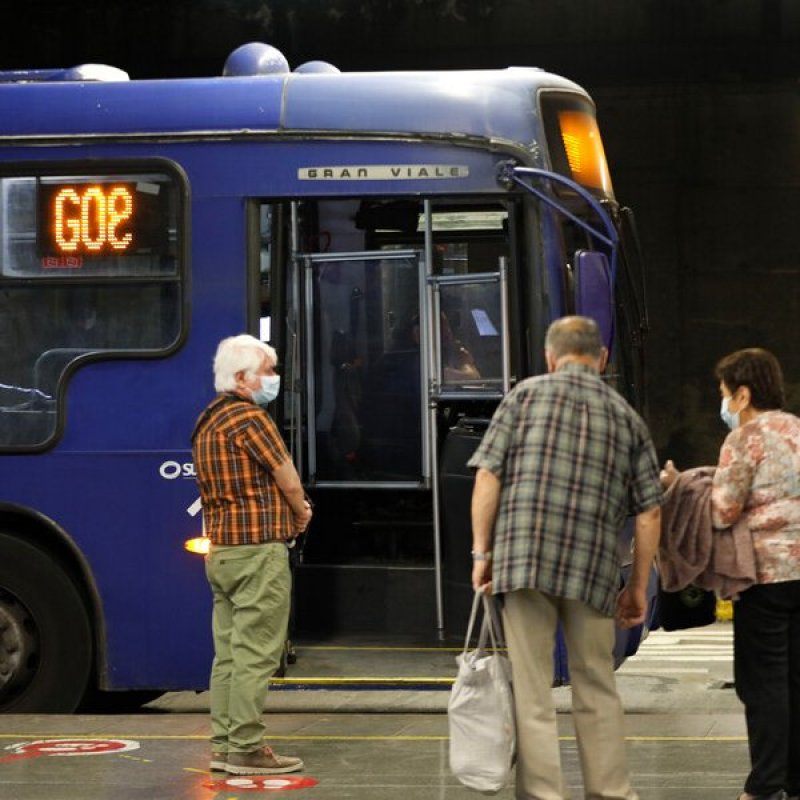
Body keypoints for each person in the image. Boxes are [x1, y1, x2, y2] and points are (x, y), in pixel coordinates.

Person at [468, 315, 662, 800]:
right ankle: (610, 792)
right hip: (592, 568)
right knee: (595, 683)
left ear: (550, 358)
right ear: (603, 358)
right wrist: (637, 586)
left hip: (523, 560)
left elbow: (487, 477)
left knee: (532, 688)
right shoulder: (625, 417)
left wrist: (481, 552)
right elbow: (649, 512)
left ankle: (543, 794)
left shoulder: (522, 398)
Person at [661, 348, 800, 800]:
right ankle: (795, 778)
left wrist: (680, 486)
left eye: (724, 394)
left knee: (763, 683)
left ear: (743, 394)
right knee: (795, 679)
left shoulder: (744, 439)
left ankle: (764, 786)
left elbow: (723, 510)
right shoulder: (797, 428)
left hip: (765, 576)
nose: (723, 403)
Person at [192, 334, 312, 776]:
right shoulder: (251, 420)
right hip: (259, 549)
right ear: (242, 378)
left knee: (228, 653)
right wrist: (301, 513)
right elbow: (288, 479)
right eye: (268, 371)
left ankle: (224, 745)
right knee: (257, 652)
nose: (274, 378)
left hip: (222, 551)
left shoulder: (207, 420)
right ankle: (246, 746)